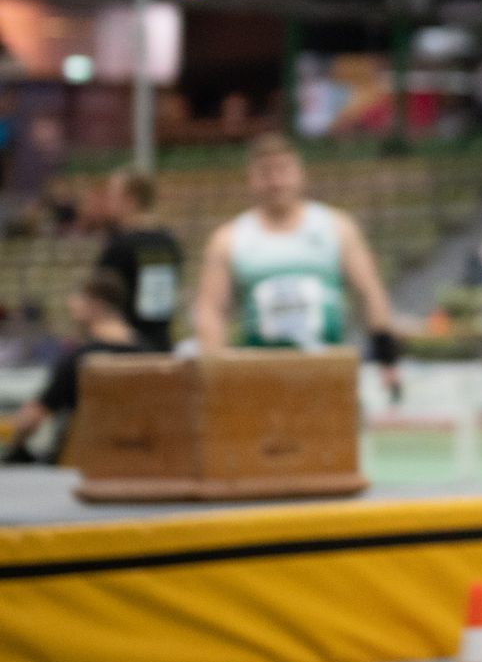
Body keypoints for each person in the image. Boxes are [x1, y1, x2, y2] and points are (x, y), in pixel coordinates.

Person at [191, 134, 402, 400]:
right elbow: (210, 309)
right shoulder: (229, 239)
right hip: (259, 378)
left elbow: (370, 293)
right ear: (251, 179)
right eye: (265, 173)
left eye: (283, 170)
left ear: (300, 173)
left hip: (327, 373)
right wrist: (215, 373)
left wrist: (387, 359)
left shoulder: (336, 228)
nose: (276, 182)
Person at [2, 270, 141, 464]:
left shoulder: (79, 360)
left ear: (95, 304)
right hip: (135, 457)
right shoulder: (151, 354)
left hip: (79, 463)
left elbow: (32, 418)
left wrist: (13, 447)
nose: (70, 303)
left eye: (76, 297)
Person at [94, 170, 184, 352]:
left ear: (130, 200)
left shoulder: (119, 246)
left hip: (124, 347)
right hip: (162, 342)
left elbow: (100, 298)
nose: (108, 203)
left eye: (112, 196)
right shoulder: (169, 242)